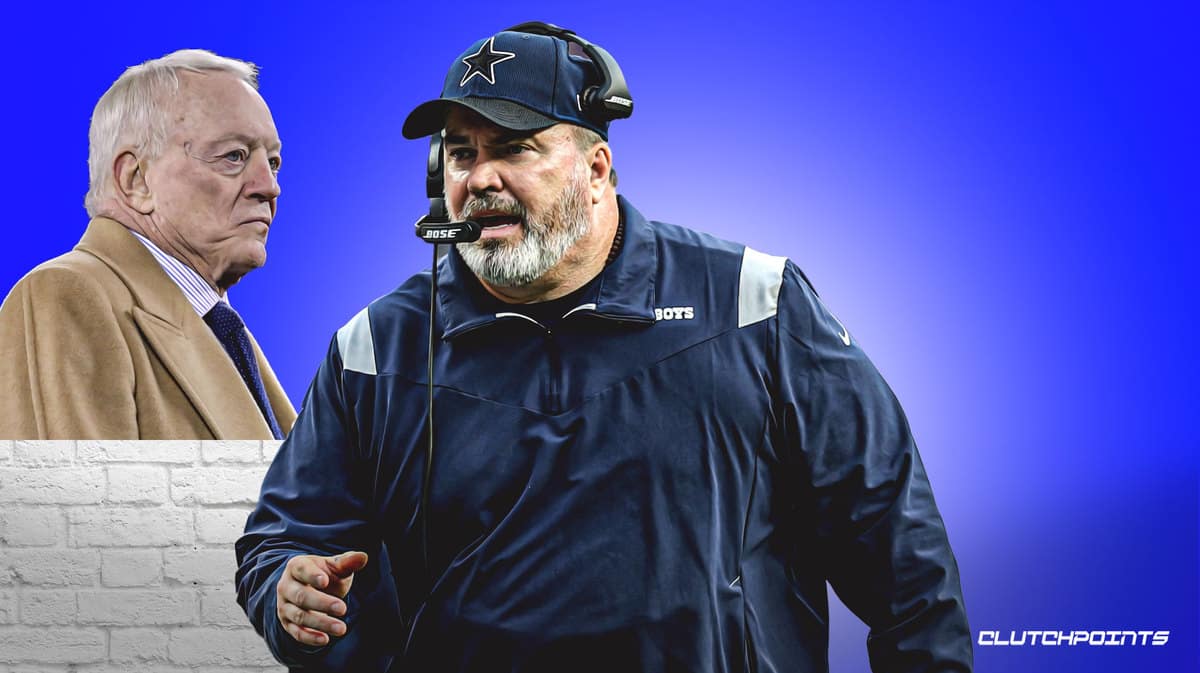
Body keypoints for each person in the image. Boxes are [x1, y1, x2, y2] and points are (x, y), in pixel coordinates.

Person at [237, 25, 972, 672]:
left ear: (595, 171)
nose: (480, 177)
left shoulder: (756, 305)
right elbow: (281, 539)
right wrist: (286, 594)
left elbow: (902, 556)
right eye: (460, 154)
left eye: (515, 148)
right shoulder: (375, 349)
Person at [0, 49, 296, 440]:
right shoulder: (67, 295)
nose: (269, 187)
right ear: (136, 180)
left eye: (272, 162)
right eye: (233, 156)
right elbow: (80, 481)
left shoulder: (220, 327)